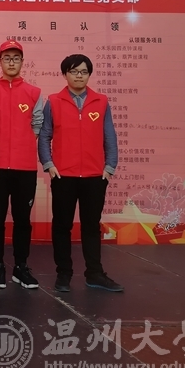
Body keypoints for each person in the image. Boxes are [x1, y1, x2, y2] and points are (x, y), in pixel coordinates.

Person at [39, 54, 122, 293]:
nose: (79, 76)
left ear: (89, 74)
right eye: (74, 71)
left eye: (84, 72)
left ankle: (94, 273)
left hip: (95, 177)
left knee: (91, 226)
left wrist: (109, 167)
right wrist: (49, 164)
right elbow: (45, 135)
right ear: (65, 74)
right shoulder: (53, 101)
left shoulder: (101, 101)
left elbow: (109, 136)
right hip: (63, 176)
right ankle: (63, 274)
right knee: (62, 226)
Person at [0, 40, 43, 290]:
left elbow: (37, 125)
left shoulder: (34, 93)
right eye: (7, 58)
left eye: (16, 58)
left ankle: (21, 266)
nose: (11, 62)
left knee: (22, 220)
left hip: (25, 168)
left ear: (22, 62)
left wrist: (23, 144)